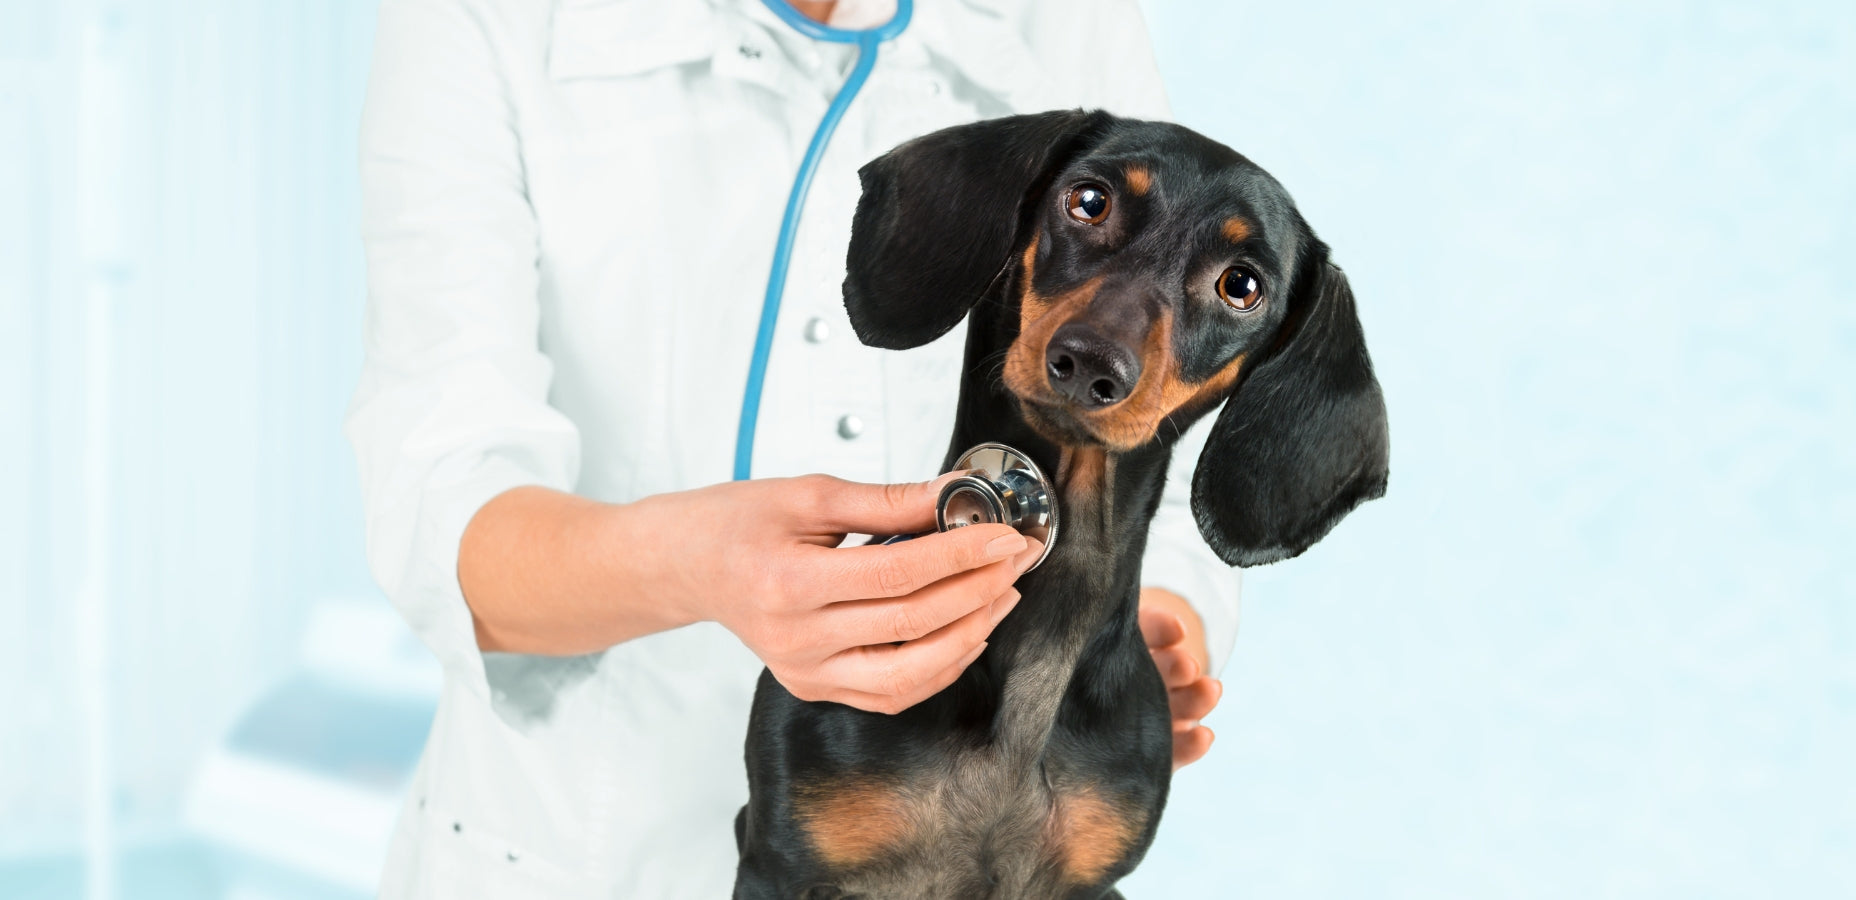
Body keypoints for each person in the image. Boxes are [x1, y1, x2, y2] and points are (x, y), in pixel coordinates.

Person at [348, 0, 1237, 896]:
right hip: (574, 846)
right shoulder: (478, 19)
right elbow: (446, 499)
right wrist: (695, 567)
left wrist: (1155, 615)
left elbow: (1158, 390)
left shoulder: (1066, 17)